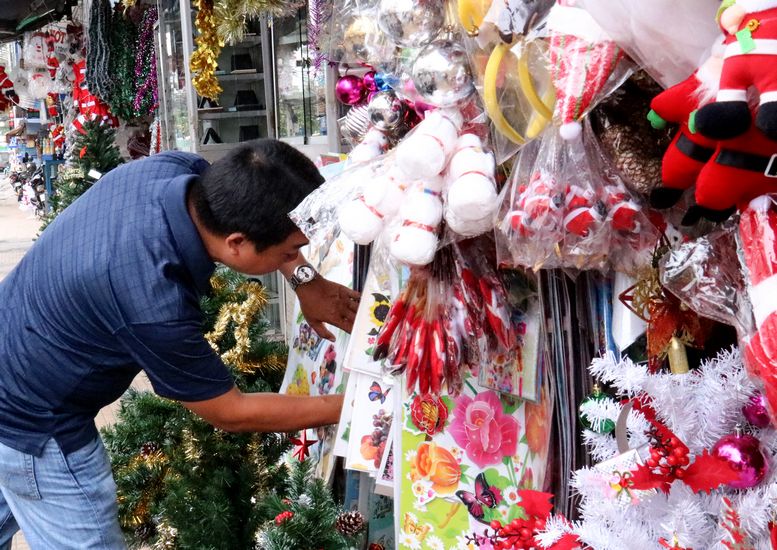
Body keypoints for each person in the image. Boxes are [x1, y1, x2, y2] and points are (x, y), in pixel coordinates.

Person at [0, 139, 359, 548]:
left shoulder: (174, 172)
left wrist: (303, 279)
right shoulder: (153, 299)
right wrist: (354, 406)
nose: (300, 255)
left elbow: (270, 222)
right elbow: (231, 411)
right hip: (34, 421)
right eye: (292, 250)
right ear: (237, 243)